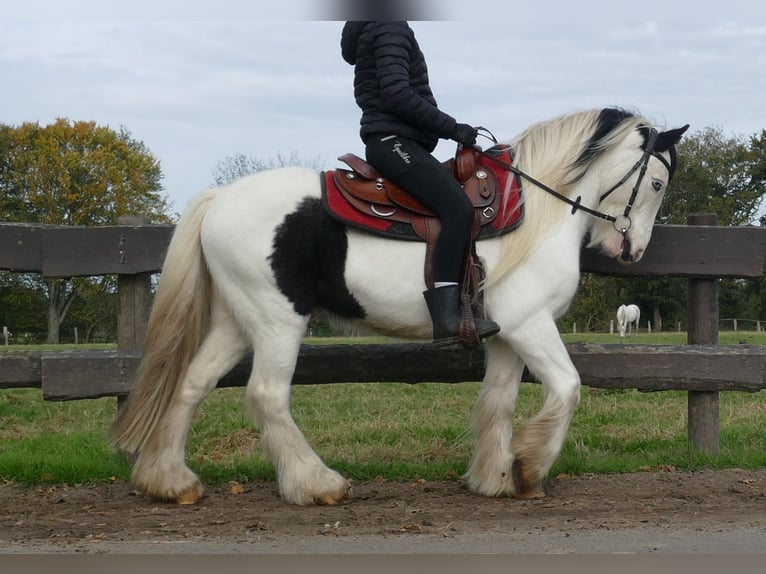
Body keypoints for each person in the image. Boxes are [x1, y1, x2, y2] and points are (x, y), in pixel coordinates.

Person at [341, 21, 500, 345]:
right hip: (395, 142)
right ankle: (447, 318)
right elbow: (397, 94)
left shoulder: (373, 27)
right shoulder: (390, 27)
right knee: (458, 209)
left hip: (395, 140)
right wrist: (455, 129)